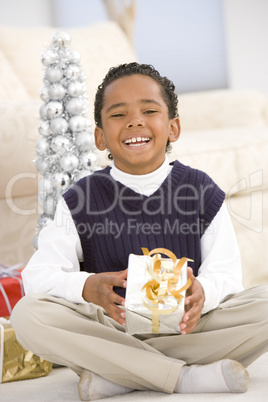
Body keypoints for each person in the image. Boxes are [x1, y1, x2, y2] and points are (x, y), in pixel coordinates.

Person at [11, 62, 268, 401]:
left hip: (189, 328)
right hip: (112, 330)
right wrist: (87, 286)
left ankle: (122, 375)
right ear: (99, 136)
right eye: (118, 115)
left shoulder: (201, 190)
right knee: (29, 315)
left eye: (149, 110)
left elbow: (228, 274)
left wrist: (203, 291)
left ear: (173, 128)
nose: (135, 121)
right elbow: (38, 276)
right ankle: (183, 378)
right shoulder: (80, 199)